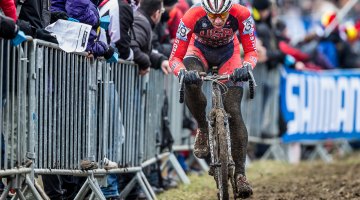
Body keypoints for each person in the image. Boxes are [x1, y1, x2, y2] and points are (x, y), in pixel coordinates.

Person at [169, 0, 257, 198]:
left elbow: (251, 51)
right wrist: (182, 72)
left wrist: (247, 67)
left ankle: (241, 175)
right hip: (198, 52)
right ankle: (202, 128)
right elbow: (174, 58)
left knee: (233, 109)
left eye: (223, 16)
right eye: (212, 16)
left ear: (230, 10)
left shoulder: (242, 13)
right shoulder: (191, 15)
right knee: (191, 81)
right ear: (205, 11)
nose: (218, 21)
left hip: (229, 54)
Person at [130, 0, 172, 75]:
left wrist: (160, 60)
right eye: (161, 11)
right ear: (156, 14)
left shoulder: (141, 18)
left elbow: (144, 51)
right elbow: (132, 47)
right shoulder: (142, 22)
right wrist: (146, 63)